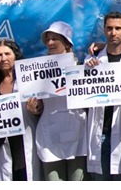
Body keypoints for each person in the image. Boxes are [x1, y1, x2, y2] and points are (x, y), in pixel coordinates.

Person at [26, 21, 85, 181]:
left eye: (55, 39)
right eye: (48, 39)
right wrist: (34, 108)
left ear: (67, 43)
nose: (50, 43)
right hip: (49, 137)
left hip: (77, 134)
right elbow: (38, 104)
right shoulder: (38, 71)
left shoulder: (80, 67)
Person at [85, 12, 121, 180]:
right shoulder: (91, 60)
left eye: (118, 28)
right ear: (104, 30)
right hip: (99, 132)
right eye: (109, 28)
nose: (113, 33)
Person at [0, 39, 35, 181]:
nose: (3, 58)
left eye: (7, 54)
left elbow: (40, 107)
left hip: (24, 143)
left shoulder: (28, 80)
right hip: (2, 146)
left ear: (16, 55)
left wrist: (36, 109)